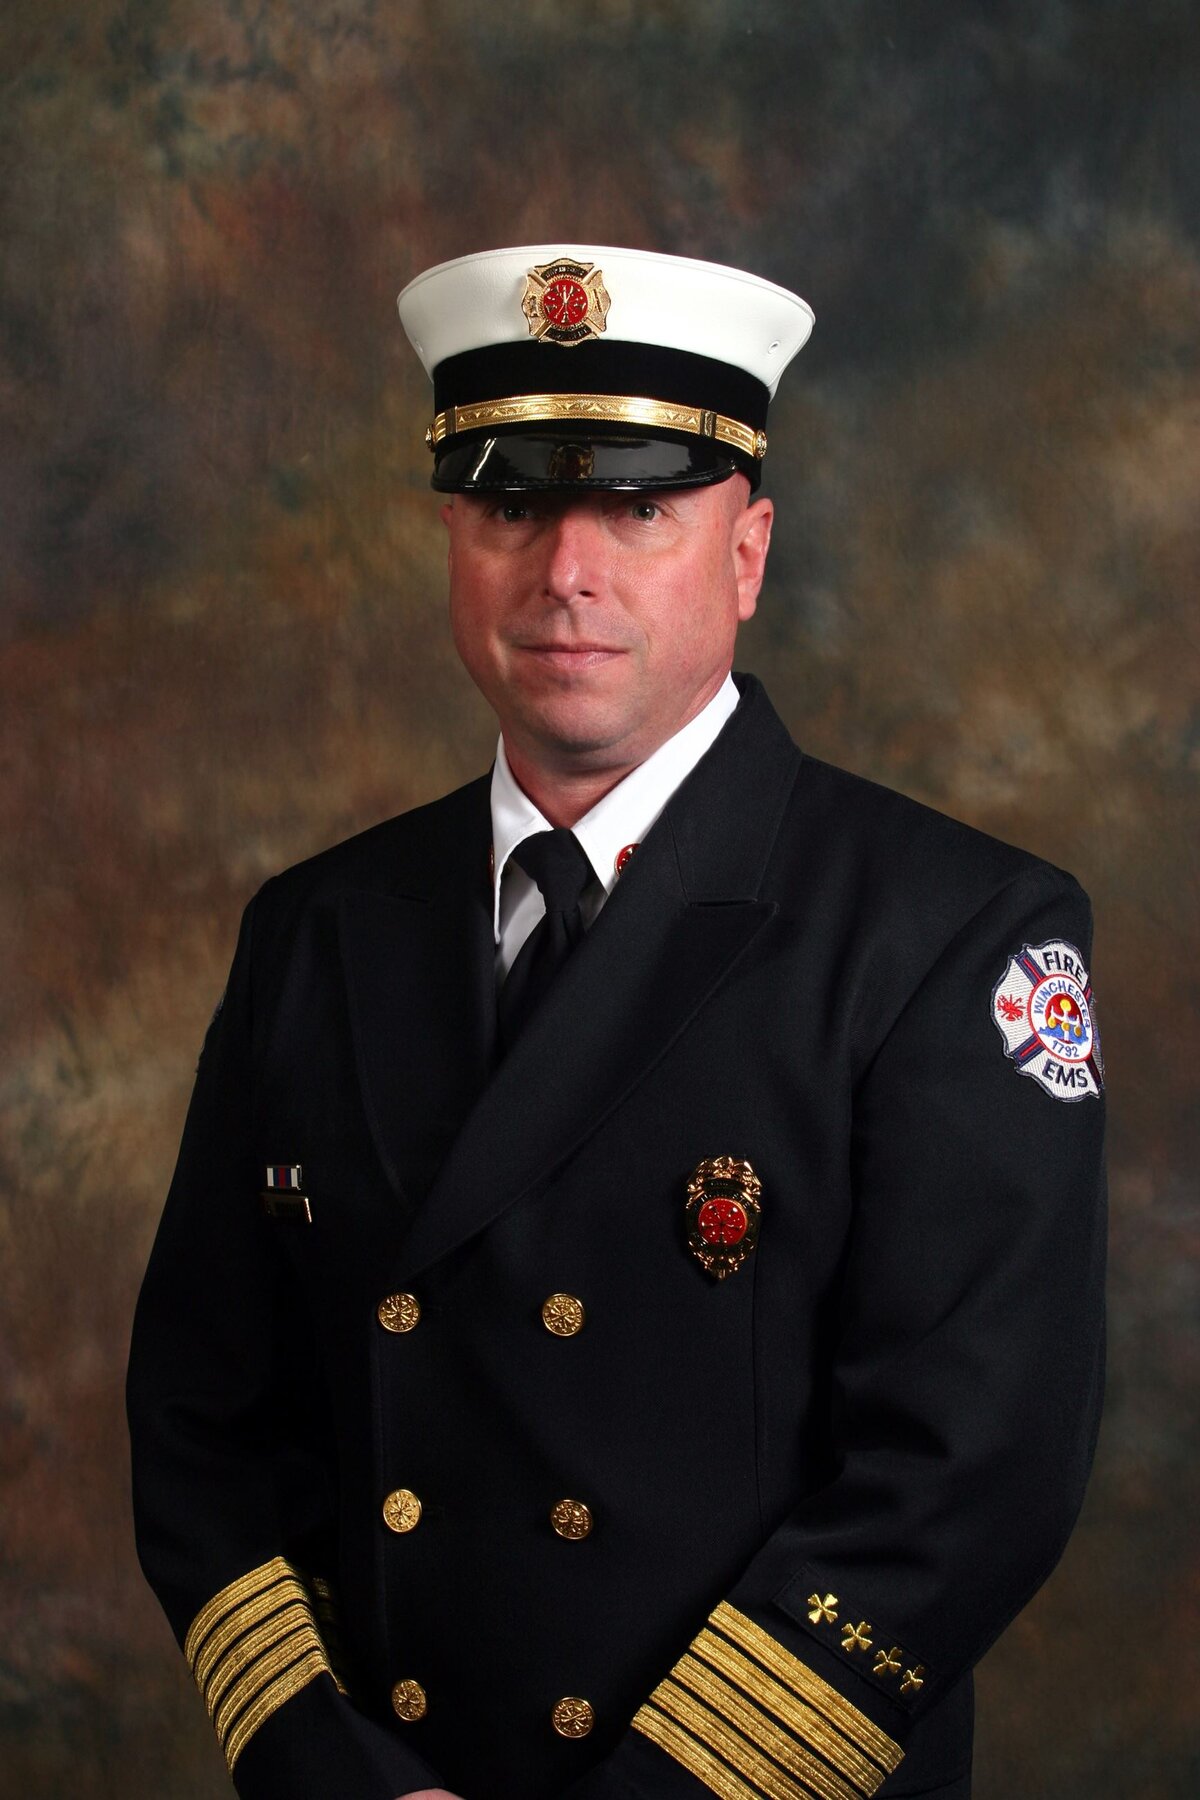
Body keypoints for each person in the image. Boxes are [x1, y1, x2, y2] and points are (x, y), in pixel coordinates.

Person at [127, 245, 1107, 1800]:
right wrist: (331, 1770)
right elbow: (203, 1423)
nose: (565, 572)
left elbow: (969, 1474)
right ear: (454, 537)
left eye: (640, 508)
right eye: (515, 506)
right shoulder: (316, 932)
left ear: (748, 552)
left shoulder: (951, 934)